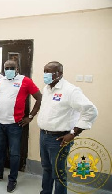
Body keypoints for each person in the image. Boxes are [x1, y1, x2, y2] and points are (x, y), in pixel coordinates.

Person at [37, 61, 98, 194]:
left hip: (58, 138)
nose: (46, 75)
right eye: (45, 71)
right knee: (46, 168)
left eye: (49, 72)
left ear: (59, 74)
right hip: (44, 135)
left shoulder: (70, 90)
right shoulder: (46, 88)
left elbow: (91, 111)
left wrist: (73, 133)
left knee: (58, 173)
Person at [0, 60, 42, 193]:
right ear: (3, 69)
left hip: (15, 125)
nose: (9, 70)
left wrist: (30, 117)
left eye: (12, 68)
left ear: (17, 68)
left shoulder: (25, 81)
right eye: (7, 68)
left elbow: (39, 98)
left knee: (15, 154)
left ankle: (12, 179)